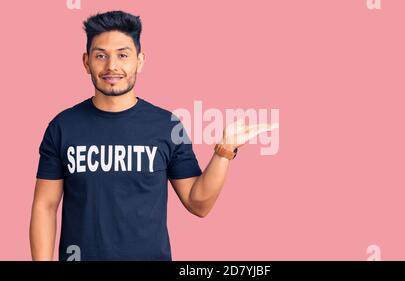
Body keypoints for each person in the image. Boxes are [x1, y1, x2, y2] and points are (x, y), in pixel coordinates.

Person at [29, 10, 277, 261]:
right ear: (86, 62)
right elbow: (45, 206)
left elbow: (198, 203)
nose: (111, 66)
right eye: (100, 55)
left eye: (123, 55)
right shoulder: (62, 126)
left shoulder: (167, 125)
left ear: (140, 61)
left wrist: (224, 150)